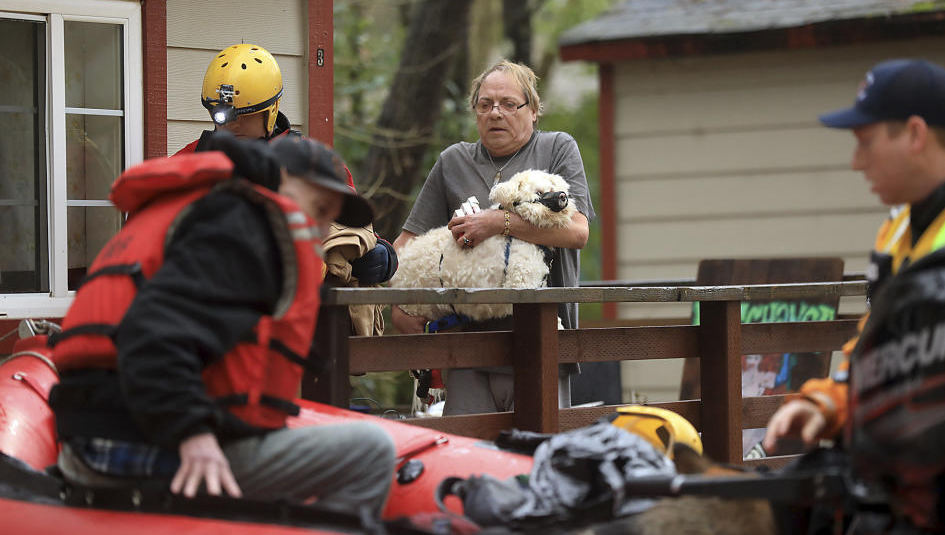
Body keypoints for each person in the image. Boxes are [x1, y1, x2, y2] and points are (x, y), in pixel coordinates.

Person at [48, 133, 395, 517]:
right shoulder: (244, 226)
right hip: (134, 446)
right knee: (371, 450)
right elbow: (149, 335)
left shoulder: (208, 209)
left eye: (328, 218)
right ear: (277, 179)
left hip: (101, 436)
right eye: (317, 206)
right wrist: (193, 435)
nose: (318, 228)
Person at [762, 59, 945, 532]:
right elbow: (878, 353)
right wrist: (826, 403)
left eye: (866, 141)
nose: (856, 161)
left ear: (914, 134)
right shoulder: (897, 233)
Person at [391, 59, 596, 416]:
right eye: (485, 105)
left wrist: (498, 222)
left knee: (533, 459)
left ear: (533, 111)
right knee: (472, 461)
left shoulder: (557, 149)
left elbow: (578, 232)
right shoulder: (453, 162)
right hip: (464, 346)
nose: (495, 113)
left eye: (508, 104)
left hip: (540, 344)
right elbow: (406, 246)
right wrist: (396, 301)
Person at [179, 42, 397, 329]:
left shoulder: (313, 163)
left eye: (243, 115)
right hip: (208, 327)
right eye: (221, 114)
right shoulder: (187, 163)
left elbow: (355, 232)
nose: (231, 125)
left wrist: (383, 258)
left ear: (271, 111)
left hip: (303, 336)